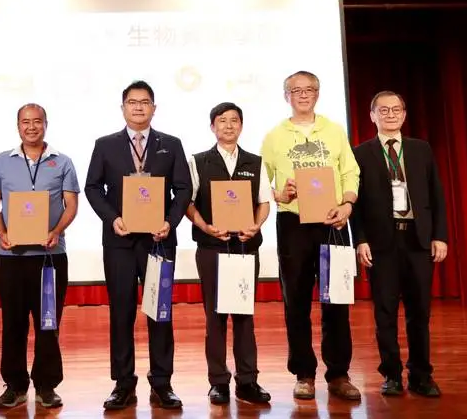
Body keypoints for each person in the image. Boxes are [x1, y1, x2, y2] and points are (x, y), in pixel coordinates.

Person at [84, 80, 192, 410]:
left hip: (159, 241)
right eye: (132, 102)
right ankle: (123, 383)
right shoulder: (105, 145)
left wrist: (170, 222)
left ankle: (162, 382)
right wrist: (112, 218)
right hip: (120, 241)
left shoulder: (170, 144)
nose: (139, 107)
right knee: (121, 311)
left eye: (145, 102)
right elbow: (92, 188)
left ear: (154, 108)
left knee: (160, 312)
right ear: (123, 108)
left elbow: (183, 189)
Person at [260, 71, 362, 401]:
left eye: (309, 89)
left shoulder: (333, 130)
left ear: (317, 94)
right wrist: (280, 195)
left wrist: (347, 204)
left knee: (337, 301)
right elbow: (261, 182)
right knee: (297, 301)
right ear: (286, 96)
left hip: (333, 222)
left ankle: (339, 373)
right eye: (296, 90)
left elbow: (350, 171)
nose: (303, 95)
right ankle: (303, 373)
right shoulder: (275, 136)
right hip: (293, 224)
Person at [350, 91, 447, 397]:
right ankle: (391, 374)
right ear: (372, 116)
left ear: (404, 115)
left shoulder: (421, 149)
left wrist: (439, 235)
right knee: (385, 312)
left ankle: (421, 375)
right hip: (382, 243)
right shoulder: (360, 153)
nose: (390, 115)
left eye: (396, 110)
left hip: (418, 240)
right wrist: (360, 240)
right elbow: (356, 204)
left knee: (420, 312)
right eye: (383, 110)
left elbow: (436, 195)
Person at [0, 103, 80, 410]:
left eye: (37, 121)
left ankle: (46, 385)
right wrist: (2, 233)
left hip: (50, 257)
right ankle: (15, 385)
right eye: (25, 122)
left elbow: (71, 205)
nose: (31, 127)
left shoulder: (62, 161)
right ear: (18, 126)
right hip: (11, 256)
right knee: (13, 323)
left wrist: (56, 231)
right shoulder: (2, 161)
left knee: (48, 323)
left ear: (45, 124)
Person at [185, 102, 272, 406]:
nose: (229, 125)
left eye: (234, 120)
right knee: (215, 317)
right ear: (213, 127)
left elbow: (264, 202)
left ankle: (248, 381)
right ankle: (218, 382)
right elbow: (188, 203)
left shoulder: (255, 162)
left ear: (241, 126)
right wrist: (206, 227)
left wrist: (256, 225)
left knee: (245, 316)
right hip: (212, 249)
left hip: (245, 247)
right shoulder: (199, 161)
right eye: (222, 121)